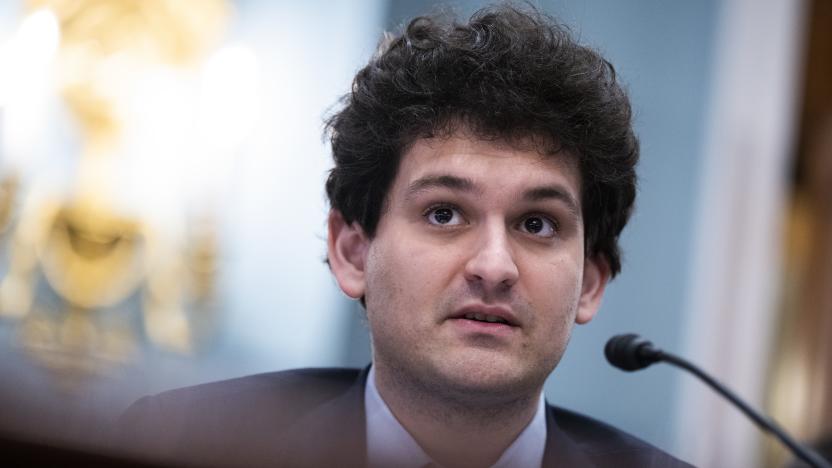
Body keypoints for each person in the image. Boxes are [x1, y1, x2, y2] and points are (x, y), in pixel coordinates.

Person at [118, 4, 692, 467]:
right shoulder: (178, 444)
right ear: (352, 251)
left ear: (591, 283)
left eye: (537, 224)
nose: (494, 267)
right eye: (444, 213)